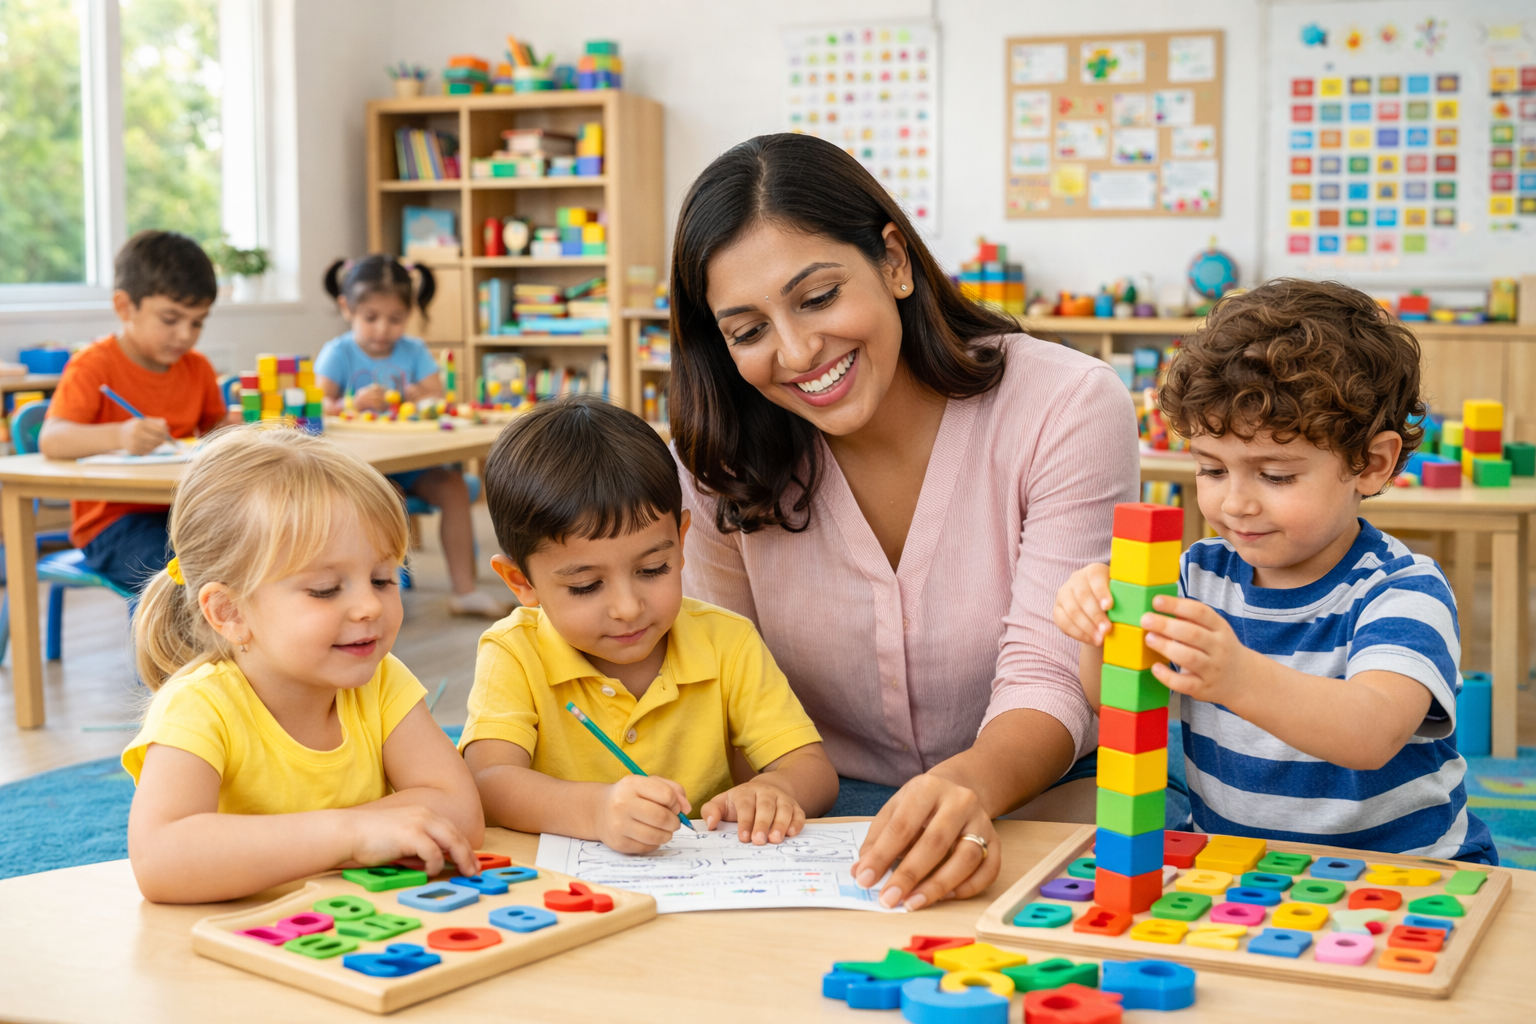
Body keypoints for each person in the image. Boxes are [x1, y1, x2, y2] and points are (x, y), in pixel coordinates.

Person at [667, 133, 1139, 911]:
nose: (796, 351)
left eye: (817, 297)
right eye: (747, 331)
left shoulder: (1066, 405)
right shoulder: (713, 456)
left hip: (1044, 791)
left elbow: (1050, 671)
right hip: (812, 821)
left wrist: (969, 786)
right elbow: (722, 680)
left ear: (893, 260)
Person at [1054, 280, 1495, 863]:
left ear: (1371, 463)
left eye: (1276, 476)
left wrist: (1237, 676)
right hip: (1241, 871)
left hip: (1408, 875)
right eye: (1212, 470)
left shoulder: (1402, 590)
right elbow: (1115, 704)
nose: (1236, 503)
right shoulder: (1196, 577)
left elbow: (1372, 733)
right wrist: (1100, 629)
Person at [122, 426, 485, 903]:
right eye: (325, 589)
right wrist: (349, 835)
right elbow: (160, 860)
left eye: (382, 579)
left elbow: (460, 810)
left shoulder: (381, 681)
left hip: (365, 937)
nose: (369, 607)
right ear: (229, 613)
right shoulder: (198, 707)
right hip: (239, 943)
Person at [461, 397, 838, 853]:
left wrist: (779, 791)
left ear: (681, 543)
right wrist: (597, 811)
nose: (627, 608)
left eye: (653, 569)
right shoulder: (513, 651)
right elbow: (487, 781)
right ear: (521, 582)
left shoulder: (728, 641)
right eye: (585, 586)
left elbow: (812, 768)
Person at [38, 230, 240, 594]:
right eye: (170, 318)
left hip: (182, 512)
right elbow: (52, 439)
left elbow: (213, 434)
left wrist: (235, 426)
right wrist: (119, 435)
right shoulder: (93, 366)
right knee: (175, 580)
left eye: (197, 322)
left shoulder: (198, 368)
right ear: (124, 307)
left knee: (247, 558)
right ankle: (166, 652)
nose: (185, 334)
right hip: (113, 523)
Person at [315, 255, 508, 618]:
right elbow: (319, 403)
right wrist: (347, 402)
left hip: (413, 460)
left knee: (453, 487)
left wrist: (424, 396)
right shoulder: (338, 353)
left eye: (396, 319)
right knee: (389, 497)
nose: (382, 329)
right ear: (347, 308)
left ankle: (464, 590)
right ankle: (378, 595)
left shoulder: (414, 350)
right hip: (363, 468)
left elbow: (437, 396)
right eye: (370, 318)